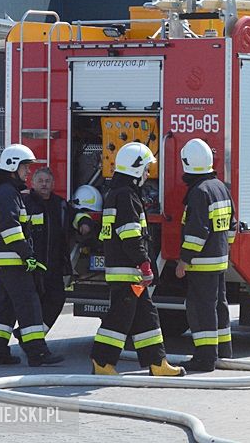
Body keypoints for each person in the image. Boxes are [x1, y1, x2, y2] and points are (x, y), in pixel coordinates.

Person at [90, 142, 185, 377]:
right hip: (128, 270)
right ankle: (101, 361)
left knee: (146, 316)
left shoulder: (120, 193)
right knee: (119, 317)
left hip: (126, 268)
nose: (146, 174)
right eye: (145, 169)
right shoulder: (126, 196)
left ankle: (157, 362)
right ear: (135, 169)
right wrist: (144, 263)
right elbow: (130, 235)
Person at [0, 144, 64, 367]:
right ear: (12, 166)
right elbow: (10, 228)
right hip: (13, 260)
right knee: (29, 304)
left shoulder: (2, 192)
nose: (28, 172)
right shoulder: (8, 193)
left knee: (6, 306)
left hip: (3, 261)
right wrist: (27, 255)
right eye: (25, 167)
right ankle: (37, 352)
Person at [176, 138, 237, 372]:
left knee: (201, 309)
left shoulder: (199, 192)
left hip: (201, 264)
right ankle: (223, 351)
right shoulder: (220, 187)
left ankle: (205, 358)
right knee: (219, 305)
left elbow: (197, 232)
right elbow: (232, 225)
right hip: (219, 260)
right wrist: (225, 250)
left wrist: (184, 260)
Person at [16, 167, 71, 338]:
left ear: (53, 184)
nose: (44, 184)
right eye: (40, 181)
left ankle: (32, 336)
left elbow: (74, 215)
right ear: (32, 183)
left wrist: (84, 222)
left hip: (54, 266)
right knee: (34, 305)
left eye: (47, 181)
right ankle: (33, 341)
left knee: (57, 299)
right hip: (32, 265)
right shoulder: (25, 203)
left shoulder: (60, 204)